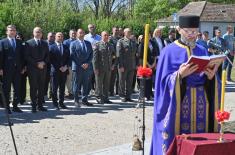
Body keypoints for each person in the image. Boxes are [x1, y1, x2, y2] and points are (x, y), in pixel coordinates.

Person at [150, 15, 221, 155]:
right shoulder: (168, 52)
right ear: (179, 30)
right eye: (188, 31)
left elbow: (212, 79)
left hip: (202, 103)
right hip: (180, 104)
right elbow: (161, 84)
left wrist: (212, 78)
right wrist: (179, 75)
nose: (192, 35)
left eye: (195, 31)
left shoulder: (202, 50)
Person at [0, 25, 24, 114]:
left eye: (14, 30)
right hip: (6, 70)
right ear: (7, 32)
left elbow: (22, 56)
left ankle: (15, 106)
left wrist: (23, 67)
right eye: (10, 30)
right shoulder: (2, 42)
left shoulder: (19, 42)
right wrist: (0, 68)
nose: (12, 32)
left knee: (17, 89)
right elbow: (0, 56)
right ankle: (7, 107)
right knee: (6, 89)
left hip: (18, 70)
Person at [25, 27, 49, 112]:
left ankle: (40, 105)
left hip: (43, 69)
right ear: (33, 33)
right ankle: (33, 106)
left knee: (42, 87)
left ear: (42, 34)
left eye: (40, 32)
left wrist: (43, 63)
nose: (38, 33)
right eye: (36, 32)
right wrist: (37, 64)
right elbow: (27, 56)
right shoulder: (28, 43)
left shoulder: (45, 43)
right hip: (33, 69)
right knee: (33, 87)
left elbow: (47, 56)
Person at [70, 29, 93, 107]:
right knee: (76, 84)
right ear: (77, 34)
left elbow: (91, 55)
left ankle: (84, 100)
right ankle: (76, 100)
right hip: (77, 67)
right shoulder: (73, 43)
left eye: (83, 32)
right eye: (80, 33)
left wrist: (87, 63)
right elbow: (72, 56)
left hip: (87, 67)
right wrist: (81, 64)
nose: (82, 34)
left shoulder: (88, 43)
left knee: (86, 84)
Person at [49, 32, 70, 109]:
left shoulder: (66, 47)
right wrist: (59, 67)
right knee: (54, 88)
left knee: (62, 88)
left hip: (64, 71)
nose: (60, 38)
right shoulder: (51, 47)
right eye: (58, 36)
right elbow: (50, 60)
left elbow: (69, 58)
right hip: (55, 71)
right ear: (55, 37)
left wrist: (66, 66)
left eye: (61, 36)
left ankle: (61, 103)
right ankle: (55, 104)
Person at [93, 31, 114, 104]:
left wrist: (113, 65)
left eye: (107, 35)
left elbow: (113, 56)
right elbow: (95, 58)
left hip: (108, 68)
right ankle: (98, 97)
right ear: (101, 36)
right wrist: (95, 68)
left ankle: (105, 98)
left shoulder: (110, 45)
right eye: (105, 35)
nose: (106, 36)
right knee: (99, 83)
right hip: (100, 68)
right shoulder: (97, 45)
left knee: (106, 83)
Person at [116, 28, 137, 102]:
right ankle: (122, 96)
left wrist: (135, 64)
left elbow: (135, 54)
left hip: (131, 65)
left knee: (129, 81)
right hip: (123, 65)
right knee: (122, 81)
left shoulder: (133, 42)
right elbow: (119, 54)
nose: (129, 33)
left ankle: (128, 96)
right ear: (124, 33)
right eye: (128, 32)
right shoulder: (121, 41)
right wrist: (120, 66)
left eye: (130, 32)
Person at [84, 24, 101, 95]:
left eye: (93, 27)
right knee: (89, 75)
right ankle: (89, 90)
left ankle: (97, 91)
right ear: (88, 29)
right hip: (89, 59)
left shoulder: (99, 37)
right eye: (90, 28)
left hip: (97, 59)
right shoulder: (85, 37)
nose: (92, 29)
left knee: (96, 75)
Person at [64, 29, 77, 99]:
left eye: (75, 33)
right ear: (69, 34)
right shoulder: (66, 42)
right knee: (69, 79)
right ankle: (70, 93)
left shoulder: (79, 42)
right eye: (72, 33)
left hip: (77, 64)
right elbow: (65, 54)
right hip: (69, 64)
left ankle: (74, 92)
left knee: (75, 79)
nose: (74, 35)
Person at [109, 27, 120, 96]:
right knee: (112, 77)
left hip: (119, 59)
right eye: (115, 30)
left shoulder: (120, 39)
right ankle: (110, 91)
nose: (117, 31)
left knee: (119, 77)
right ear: (112, 30)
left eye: (117, 30)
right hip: (113, 60)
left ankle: (118, 91)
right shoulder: (110, 39)